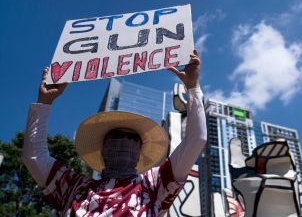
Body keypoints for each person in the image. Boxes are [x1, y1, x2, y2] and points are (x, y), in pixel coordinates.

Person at [22, 50, 207, 216]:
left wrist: (193, 88)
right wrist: (44, 103)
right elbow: (34, 157)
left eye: (132, 138)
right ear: (103, 147)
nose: (124, 142)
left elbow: (196, 139)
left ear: (140, 150)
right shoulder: (73, 188)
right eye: (117, 136)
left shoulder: (154, 186)